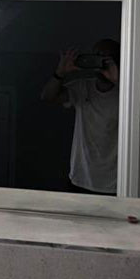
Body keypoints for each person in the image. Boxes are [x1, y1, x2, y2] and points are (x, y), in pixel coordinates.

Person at [40, 39, 120, 195]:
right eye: (96, 57)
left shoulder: (126, 93)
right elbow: (47, 96)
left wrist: (117, 79)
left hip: (114, 182)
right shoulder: (82, 87)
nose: (100, 63)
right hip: (80, 177)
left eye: (106, 59)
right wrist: (60, 73)